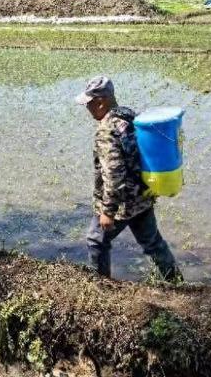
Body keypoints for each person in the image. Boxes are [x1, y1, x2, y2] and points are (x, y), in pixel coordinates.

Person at [75, 76, 181, 282]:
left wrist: (108, 211)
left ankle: (101, 286)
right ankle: (176, 282)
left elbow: (114, 173)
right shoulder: (130, 116)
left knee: (96, 240)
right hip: (142, 196)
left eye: (88, 103)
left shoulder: (107, 130)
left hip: (122, 203)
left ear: (101, 101)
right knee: (153, 243)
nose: (87, 108)